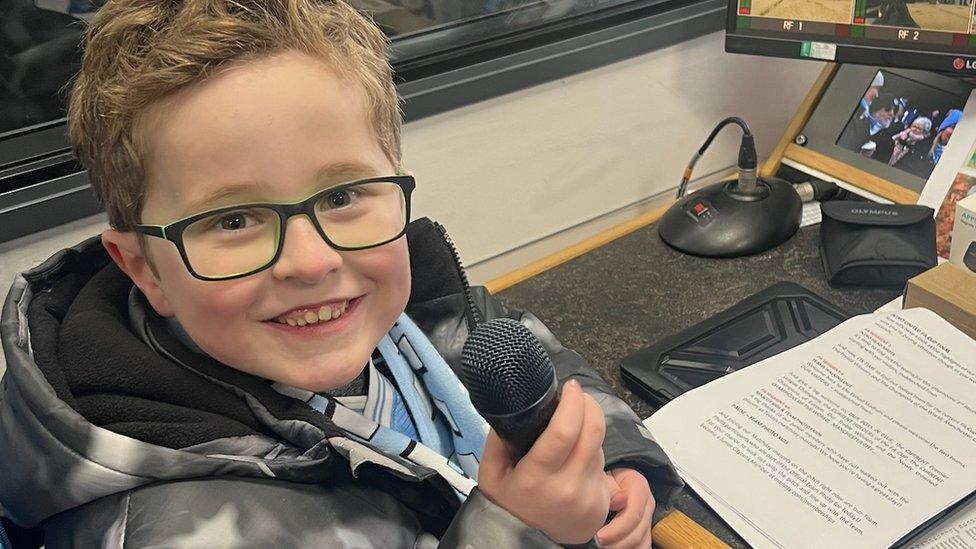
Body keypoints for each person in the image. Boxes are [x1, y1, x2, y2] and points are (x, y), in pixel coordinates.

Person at [0, 0, 682, 547]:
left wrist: (616, 460)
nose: (313, 261)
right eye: (233, 221)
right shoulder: (171, 529)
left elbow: (523, 357)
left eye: (341, 196)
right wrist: (523, 530)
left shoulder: (406, 306)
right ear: (144, 267)